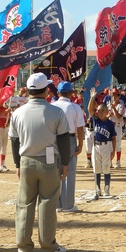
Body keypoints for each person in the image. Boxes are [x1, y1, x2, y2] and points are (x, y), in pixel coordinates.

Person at [9, 72, 71, 252]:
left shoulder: (18, 113)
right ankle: (48, 246)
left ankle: (24, 245)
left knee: (25, 203)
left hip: (26, 160)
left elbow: (14, 141)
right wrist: (65, 164)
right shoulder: (55, 112)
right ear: (46, 90)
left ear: (28, 91)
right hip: (49, 161)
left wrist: (18, 165)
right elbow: (63, 140)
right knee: (48, 202)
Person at [53, 81, 85, 212]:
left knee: (55, 170)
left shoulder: (52, 106)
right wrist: (80, 145)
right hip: (69, 139)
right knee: (70, 171)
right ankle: (68, 204)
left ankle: (57, 204)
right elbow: (80, 128)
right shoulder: (75, 107)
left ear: (58, 93)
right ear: (71, 93)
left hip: (54, 140)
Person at [88, 87, 116, 198]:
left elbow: (113, 137)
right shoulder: (96, 120)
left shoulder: (109, 123)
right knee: (96, 168)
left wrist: (113, 151)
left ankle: (107, 188)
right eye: (98, 111)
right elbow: (90, 110)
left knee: (106, 167)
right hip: (96, 146)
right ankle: (97, 188)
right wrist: (92, 98)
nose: (99, 113)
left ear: (107, 112)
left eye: (102, 111)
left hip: (106, 146)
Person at [107, 87, 125, 168]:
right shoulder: (108, 105)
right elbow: (105, 117)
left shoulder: (121, 106)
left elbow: (119, 116)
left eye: (117, 95)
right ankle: (110, 161)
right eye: (113, 94)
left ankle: (118, 161)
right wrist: (108, 115)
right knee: (109, 144)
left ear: (119, 96)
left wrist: (114, 108)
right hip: (110, 126)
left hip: (117, 125)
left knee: (117, 144)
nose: (115, 96)